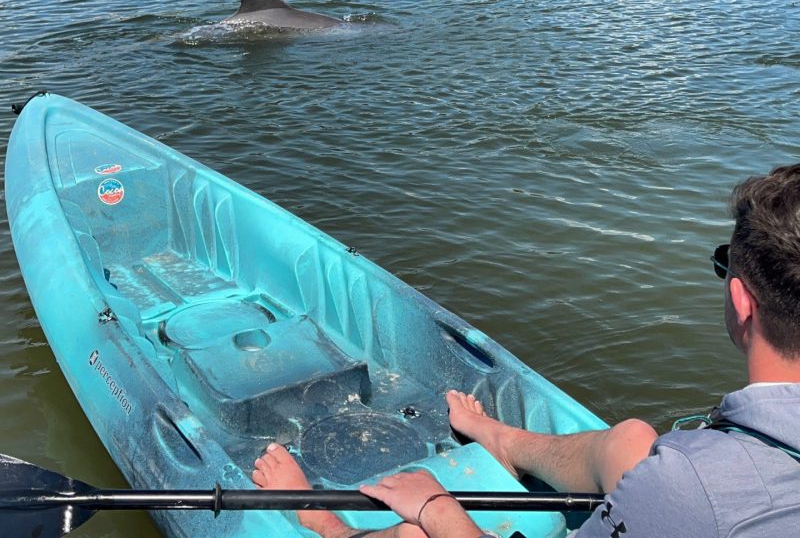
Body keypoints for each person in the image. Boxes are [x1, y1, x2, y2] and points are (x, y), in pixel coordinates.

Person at [252, 164, 800, 537]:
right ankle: (502, 439)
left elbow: (700, 497)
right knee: (630, 439)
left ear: (741, 300)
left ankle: (319, 521)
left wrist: (437, 507)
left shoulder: (691, 489)